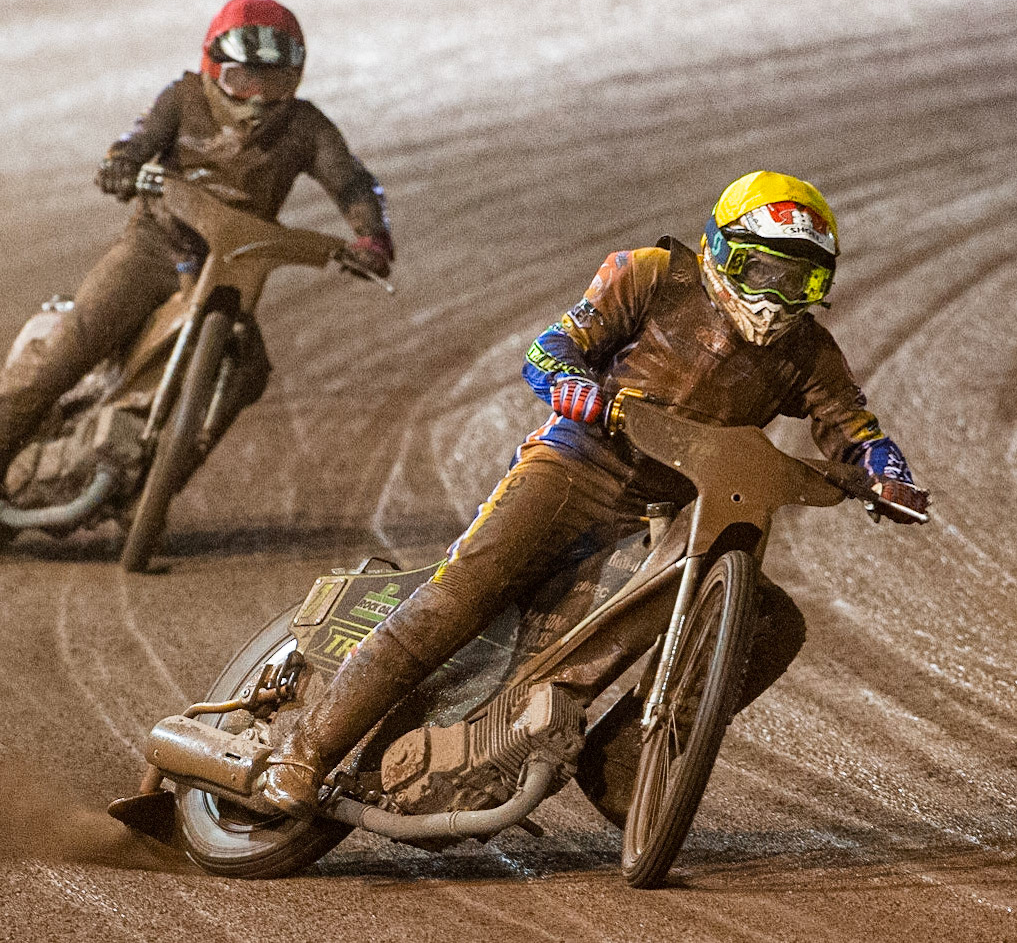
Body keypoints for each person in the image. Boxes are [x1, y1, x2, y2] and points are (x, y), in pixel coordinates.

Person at [255, 170, 932, 818]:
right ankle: (304, 752)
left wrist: (887, 476)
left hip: (676, 515)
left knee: (771, 620)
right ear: (722, 252)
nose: (777, 297)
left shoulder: (809, 351)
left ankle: (625, 765)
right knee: (462, 592)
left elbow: (856, 430)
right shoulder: (650, 274)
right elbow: (551, 347)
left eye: (799, 280)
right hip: (576, 464)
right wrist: (573, 386)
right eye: (764, 272)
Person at [0, 0, 393, 545]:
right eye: (241, 80)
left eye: (274, 83)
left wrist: (371, 237)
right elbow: (134, 143)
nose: (257, 99)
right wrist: (121, 166)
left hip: (233, 271)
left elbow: (352, 182)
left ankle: (146, 496)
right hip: (153, 249)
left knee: (249, 370)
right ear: (213, 69)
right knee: (66, 350)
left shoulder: (306, 127)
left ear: (295, 80)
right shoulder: (181, 99)